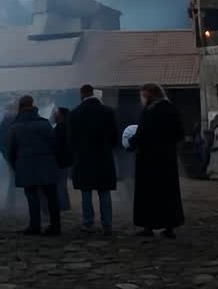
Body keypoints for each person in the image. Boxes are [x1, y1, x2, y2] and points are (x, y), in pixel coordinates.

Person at [128, 82, 185, 237]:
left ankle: (148, 226)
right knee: (168, 193)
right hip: (167, 159)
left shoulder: (149, 111)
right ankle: (169, 227)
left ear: (150, 95)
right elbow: (179, 133)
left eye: (144, 95)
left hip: (149, 159)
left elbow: (142, 134)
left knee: (148, 193)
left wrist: (131, 143)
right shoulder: (171, 108)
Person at [69, 84, 118, 235]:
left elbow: (71, 139)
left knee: (86, 191)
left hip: (84, 158)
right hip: (103, 157)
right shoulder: (107, 112)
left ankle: (88, 222)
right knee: (104, 191)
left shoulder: (75, 113)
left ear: (82, 94)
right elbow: (115, 137)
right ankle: (107, 224)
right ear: (93, 94)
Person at [8, 95, 61, 235]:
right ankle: (55, 225)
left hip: (25, 164)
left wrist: (15, 166)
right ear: (33, 105)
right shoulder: (44, 123)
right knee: (51, 196)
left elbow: (11, 150)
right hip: (46, 164)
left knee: (31, 196)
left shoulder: (15, 126)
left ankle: (35, 225)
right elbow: (54, 144)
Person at [0, 101, 20, 212]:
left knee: (14, 178)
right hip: (16, 154)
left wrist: (5, 153)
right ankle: (14, 202)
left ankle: (11, 202)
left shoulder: (5, 121)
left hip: (11, 154)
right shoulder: (14, 121)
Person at [52, 107, 73, 214]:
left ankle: (62, 205)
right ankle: (65, 205)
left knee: (59, 184)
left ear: (61, 115)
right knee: (62, 184)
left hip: (60, 160)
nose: (54, 115)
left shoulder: (60, 127)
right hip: (66, 160)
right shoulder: (68, 126)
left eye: (56, 113)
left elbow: (57, 145)